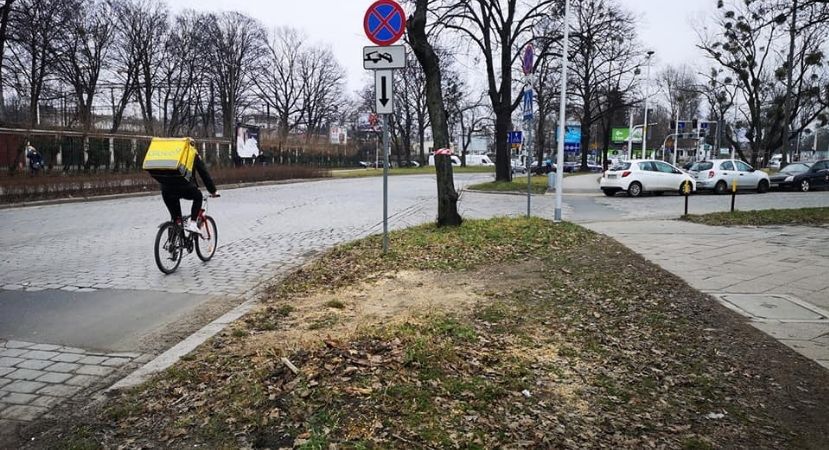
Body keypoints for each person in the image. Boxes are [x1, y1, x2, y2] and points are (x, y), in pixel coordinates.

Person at [159, 151, 219, 237]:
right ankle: (193, 223)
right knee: (198, 197)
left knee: (176, 219)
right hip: (184, 187)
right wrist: (213, 191)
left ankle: (174, 239)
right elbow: (203, 173)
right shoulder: (191, 152)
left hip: (166, 189)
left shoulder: (169, 152)